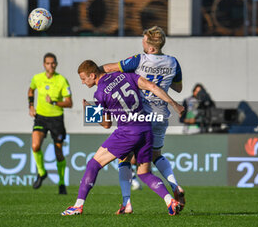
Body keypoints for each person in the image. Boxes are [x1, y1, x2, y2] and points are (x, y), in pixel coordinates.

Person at [61, 60, 184, 216]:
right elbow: (152, 86)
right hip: (145, 128)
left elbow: (106, 124)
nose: (83, 82)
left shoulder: (100, 93)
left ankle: (78, 206)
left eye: (84, 79)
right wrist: (174, 104)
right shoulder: (124, 76)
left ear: (92, 75)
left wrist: (89, 111)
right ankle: (170, 201)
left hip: (127, 131)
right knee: (144, 173)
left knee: (93, 164)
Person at [102, 26, 185, 213]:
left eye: (144, 40)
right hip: (161, 114)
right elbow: (178, 88)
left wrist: (97, 72)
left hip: (140, 115)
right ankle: (175, 185)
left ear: (150, 47)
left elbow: (111, 68)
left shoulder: (139, 59)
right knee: (156, 155)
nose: (142, 42)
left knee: (124, 157)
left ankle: (127, 203)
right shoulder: (173, 62)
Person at [28, 52, 72, 194]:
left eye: (53, 63)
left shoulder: (62, 80)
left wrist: (54, 102)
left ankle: (61, 183)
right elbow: (31, 89)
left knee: (58, 153)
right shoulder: (37, 78)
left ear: (56, 64)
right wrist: (30, 106)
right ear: (44, 65)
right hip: (41, 117)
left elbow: (69, 103)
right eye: (48, 63)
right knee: (35, 146)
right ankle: (42, 172)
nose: (51, 65)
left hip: (56, 119)